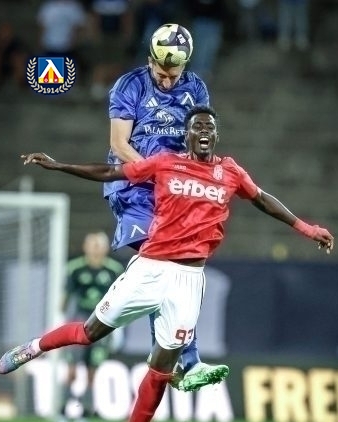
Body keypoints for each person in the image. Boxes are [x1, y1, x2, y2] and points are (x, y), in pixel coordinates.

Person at [0, 105, 334, 422]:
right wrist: (60, 166)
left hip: (189, 280)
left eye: (209, 127)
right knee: (90, 333)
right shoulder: (165, 163)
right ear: (186, 135)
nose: (203, 131)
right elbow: (111, 172)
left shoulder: (230, 172)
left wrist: (307, 229)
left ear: (216, 135)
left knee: (161, 371)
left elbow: (261, 199)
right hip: (150, 269)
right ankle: (32, 348)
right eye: (197, 127)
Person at [101, 22, 229, 392]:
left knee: (171, 270)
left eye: (175, 74)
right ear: (150, 60)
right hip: (134, 189)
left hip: (173, 193)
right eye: (162, 73)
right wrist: (157, 173)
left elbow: (199, 136)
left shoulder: (196, 88)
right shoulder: (129, 85)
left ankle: (171, 356)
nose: (168, 81)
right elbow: (119, 144)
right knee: (163, 263)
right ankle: (185, 359)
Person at [52, 231, 125, 422]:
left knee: (92, 374)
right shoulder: (74, 268)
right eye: (92, 244)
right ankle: (62, 415)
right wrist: (59, 322)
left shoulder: (114, 270)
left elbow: (120, 301)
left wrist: (119, 328)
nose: (95, 249)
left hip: (102, 326)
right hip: (79, 324)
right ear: (85, 247)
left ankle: (83, 417)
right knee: (72, 372)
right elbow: (65, 298)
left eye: (99, 245)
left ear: (105, 248)